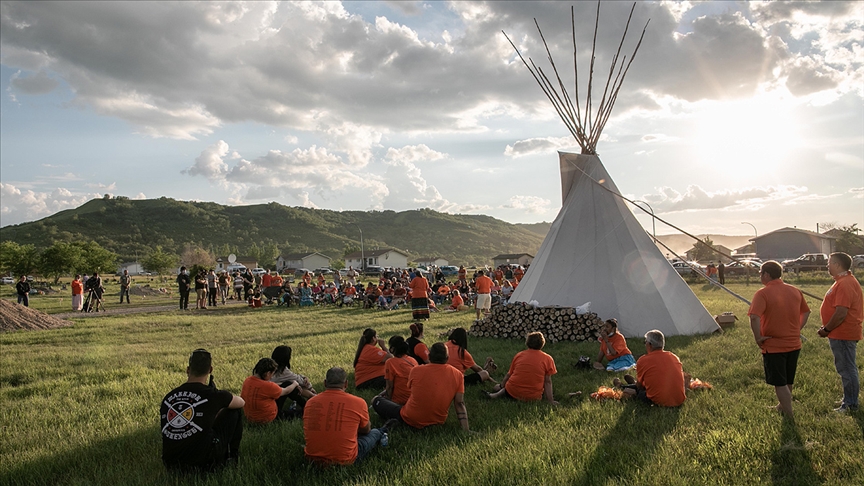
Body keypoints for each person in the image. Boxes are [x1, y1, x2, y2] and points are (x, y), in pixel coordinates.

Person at [160, 349, 244, 472]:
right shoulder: (214, 395)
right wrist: (219, 406)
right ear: (210, 370)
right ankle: (232, 457)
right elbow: (241, 402)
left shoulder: (169, 397)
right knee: (234, 411)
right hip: (203, 464)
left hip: (171, 464)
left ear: (188, 370)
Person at [748, 261, 810, 417]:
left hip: (774, 344)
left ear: (767, 275)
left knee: (779, 382)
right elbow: (806, 312)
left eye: (761, 273)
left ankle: (788, 413)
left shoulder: (762, 293)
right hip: (794, 343)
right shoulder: (795, 291)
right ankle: (782, 405)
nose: (760, 276)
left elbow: (754, 317)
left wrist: (758, 338)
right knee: (788, 379)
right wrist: (797, 329)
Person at [303, 367, 392, 465]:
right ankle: (382, 431)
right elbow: (366, 430)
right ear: (346, 384)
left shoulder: (310, 403)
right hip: (345, 459)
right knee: (374, 432)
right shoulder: (358, 402)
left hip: (312, 459)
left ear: (325, 383)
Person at [372, 343, 469, 431]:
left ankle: (397, 421)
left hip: (410, 417)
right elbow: (459, 403)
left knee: (376, 400)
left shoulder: (416, 370)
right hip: (437, 421)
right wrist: (466, 430)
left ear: (429, 356)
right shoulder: (458, 375)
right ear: (447, 358)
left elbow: (412, 390)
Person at [817, 252, 863, 413]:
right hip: (841, 333)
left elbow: (841, 312)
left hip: (843, 333)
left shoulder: (845, 284)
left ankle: (850, 403)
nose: (827, 266)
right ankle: (849, 398)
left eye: (829, 263)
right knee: (845, 367)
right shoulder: (843, 281)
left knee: (846, 368)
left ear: (837, 264)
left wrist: (826, 329)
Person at [614, 330, 690, 407]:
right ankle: (630, 384)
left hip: (658, 401)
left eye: (645, 342)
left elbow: (640, 386)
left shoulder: (643, 360)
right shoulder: (674, 357)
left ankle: (623, 387)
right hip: (679, 399)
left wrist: (638, 385)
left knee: (640, 391)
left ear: (650, 345)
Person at [487, 332, 557, 405]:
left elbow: (509, 375)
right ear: (542, 344)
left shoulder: (519, 355)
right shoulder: (548, 359)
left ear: (527, 343)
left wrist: (501, 385)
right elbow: (547, 382)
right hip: (533, 397)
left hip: (512, 392)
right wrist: (550, 400)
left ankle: (496, 394)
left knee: (503, 388)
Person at [241, 358, 301, 424]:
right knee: (297, 413)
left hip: (251, 418)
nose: (272, 377)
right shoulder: (267, 386)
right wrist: (295, 383)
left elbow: (272, 387)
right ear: (268, 373)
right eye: (272, 374)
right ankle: (305, 407)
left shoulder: (248, 381)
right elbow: (286, 391)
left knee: (287, 384)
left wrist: (286, 383)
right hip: (269, 418)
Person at [378, 336, 418, 405]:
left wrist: (387, 402)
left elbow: (389, 387)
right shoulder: (412, 360)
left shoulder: (390, 362)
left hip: (399, 402)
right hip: (413, 399)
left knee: (375, 400)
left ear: (392, 349)